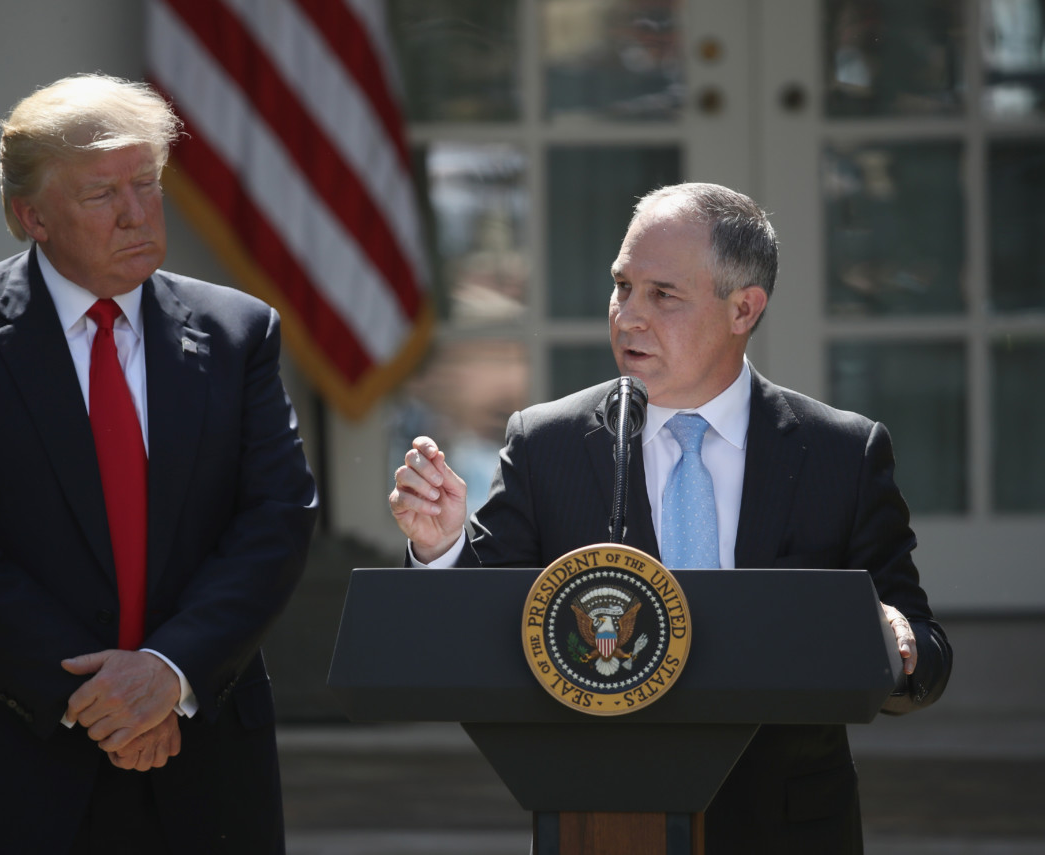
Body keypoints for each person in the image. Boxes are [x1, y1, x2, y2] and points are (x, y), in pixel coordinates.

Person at [390, 182, 951, 853]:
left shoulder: (841, 452)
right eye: (621, 286)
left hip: (787, 826)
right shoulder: (549, 444)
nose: (628, 316)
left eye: (663, 295)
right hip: (602, 820)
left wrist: (897, 640)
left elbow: (922, 649)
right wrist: (443, 544)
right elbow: (481, 622)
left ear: (744, 308)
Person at [0, 74, 318, 854]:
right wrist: (101, 696)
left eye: (146, 182)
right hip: (0, 764)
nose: (138, 212)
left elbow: (275, 520)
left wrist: (168, 674)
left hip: (198, 764)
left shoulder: (241, 330)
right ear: (30, 216)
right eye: (101, 194)